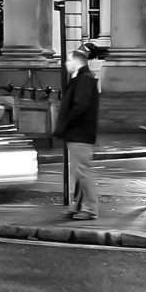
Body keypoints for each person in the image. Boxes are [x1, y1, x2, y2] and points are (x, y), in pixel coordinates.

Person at [59, 42, 102, 221]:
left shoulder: (84, 80)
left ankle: (91, 208)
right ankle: (76, 205)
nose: (66, 64)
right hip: (78, 132)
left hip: (80, 132)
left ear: (78, 62)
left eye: (69, 61)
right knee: (79, 172)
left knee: (83, 171)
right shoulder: (81, 78)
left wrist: (67, 123)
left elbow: (80, 106)